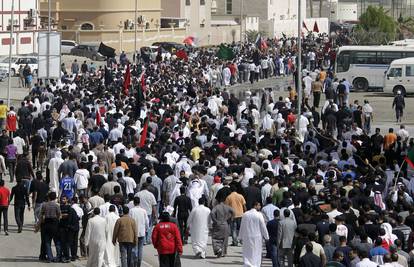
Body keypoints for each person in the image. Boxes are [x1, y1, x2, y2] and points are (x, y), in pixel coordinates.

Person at [239, 201, 269, 267]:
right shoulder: (259, 215)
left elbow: (242, 226)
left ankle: (247, 264)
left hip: (247, 236)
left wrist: (240, 237)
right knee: (256, 252)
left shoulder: (245, 214)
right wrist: (266, 237)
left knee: (247, 252)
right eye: (259, 205)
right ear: (255, 206)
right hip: (257, 237)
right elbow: (263, 226)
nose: (260, 207)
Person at [39, 192, 61, 262]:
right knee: (57, 241)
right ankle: (58, 256)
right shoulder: (57, 205)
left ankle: (49, 257)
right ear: (55, 198)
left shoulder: (44, 205)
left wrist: (40, 224)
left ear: (49, 197)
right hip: (54, 224)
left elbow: (41, 215)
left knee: (47, 242)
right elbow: (59, 215)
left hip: (46, 224)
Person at [129, 197, 149, 267]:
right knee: (140, 249)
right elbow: (147, 221)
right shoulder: (143, 211)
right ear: (139, 202)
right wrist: (146, 229)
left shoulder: (131, 211)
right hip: (142, 232)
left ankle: (133, 263)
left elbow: (130, 221)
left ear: (134, 202)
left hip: (134, 233)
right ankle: (138, 264)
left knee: (134, 249)